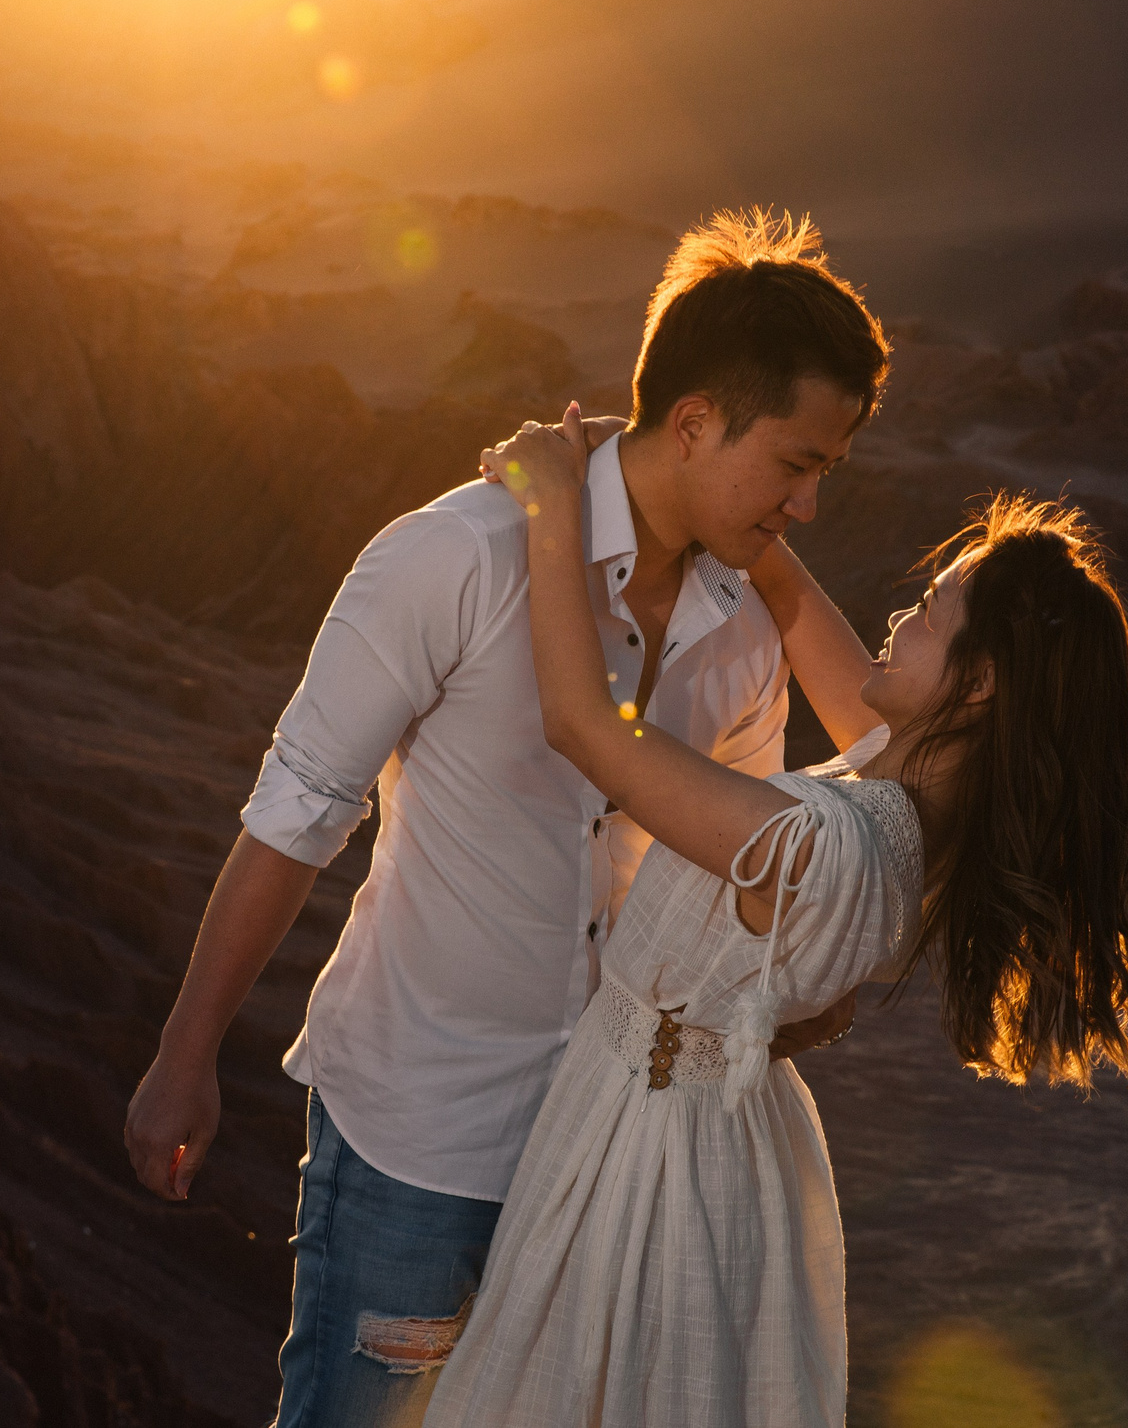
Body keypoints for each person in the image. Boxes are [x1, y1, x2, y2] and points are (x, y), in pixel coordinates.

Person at [123, 210, 891, 1426]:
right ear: (695, 421)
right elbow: (298, 813)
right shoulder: (457, 556)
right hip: (419, 1143)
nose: (806, 507)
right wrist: (184, 1057)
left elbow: (717, 871)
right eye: (796, 464)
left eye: (824, 475)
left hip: (611, 1157)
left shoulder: (747, 630)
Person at [420, 409, 1128, 1428]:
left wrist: (550, 502)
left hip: (653, 1160)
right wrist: (713, 492)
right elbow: (814, 630)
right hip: (700, 1135)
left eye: (931, 612)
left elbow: (584, 728)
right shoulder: (925, 818)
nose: (902, 617)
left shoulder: (820, 843)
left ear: (978, 685)